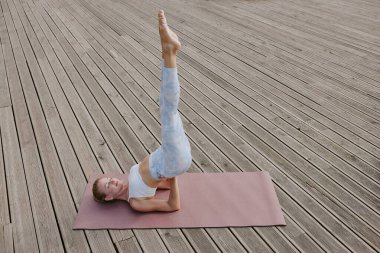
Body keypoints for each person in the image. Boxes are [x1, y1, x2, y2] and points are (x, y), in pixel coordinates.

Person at [92, 10, 192, 212]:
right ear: (109, 197)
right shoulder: (135, 202)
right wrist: (173, 176)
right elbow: (173, 206)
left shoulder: (131, 178)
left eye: (109, 179)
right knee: (168, 111)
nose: (113, 181)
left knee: (166, 106)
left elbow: (160, 184)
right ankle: (169, 52)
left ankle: (168, 53)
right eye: (108, 185)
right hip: (173, 160)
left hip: (168, 152)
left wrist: (166, 178)